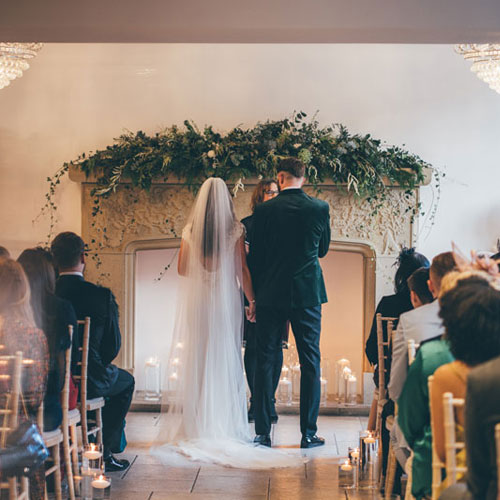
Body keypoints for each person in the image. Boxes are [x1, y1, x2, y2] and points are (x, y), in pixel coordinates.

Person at [153, 177, 301, 468]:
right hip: (225, 303)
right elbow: (242, 270)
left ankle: (196, 425)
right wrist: (252, 302)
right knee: (223, 359)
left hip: (200, 303)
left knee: (198, 358)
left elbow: (183, 269)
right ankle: (221, 423)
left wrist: (204, 275)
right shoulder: (235, 230)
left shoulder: (191, 230)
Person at [250, 157, 331, 448]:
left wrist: (254, 298)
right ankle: (308, 433)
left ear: (281, 177)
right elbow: (322, 250)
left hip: (271, 292)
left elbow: (255, 257)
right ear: (303, 178)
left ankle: (262, 432)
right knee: (311, 360)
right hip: (307, 293)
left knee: (266, 360)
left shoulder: (264, 210)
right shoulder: (320, 208)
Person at [50, 232, 134, 472]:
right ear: (83, 257)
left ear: (54, 260)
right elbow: (112, 347)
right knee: (126, 382)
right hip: (91, 379)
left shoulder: (46, 295)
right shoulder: (100, 296)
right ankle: (102, 452)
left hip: (52, 380)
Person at [0, 257, 49, 499]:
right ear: (22, 291)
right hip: (8, 434)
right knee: (29, 432)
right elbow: (34, 397)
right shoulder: (31, 335)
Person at [17, 248, 79, 432]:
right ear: (50, 275)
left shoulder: (10, 310)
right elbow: (70, 364)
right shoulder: (62, 308)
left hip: (7, 410)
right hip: (46, 410)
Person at [388, 251, 457, 402]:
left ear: (430, 286)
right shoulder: (484, 314)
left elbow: (396, 389)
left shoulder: (408, 320)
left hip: (427, 408)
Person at [241, 179, 281, 423]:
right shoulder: (247, 225)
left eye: (276, 192)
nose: (272, 195)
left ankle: (270, 401)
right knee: (254, 347)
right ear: (259, 195)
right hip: (252, 291)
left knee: (276, 347)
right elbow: (244, 265)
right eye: (268, 192)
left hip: (278, 292)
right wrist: (250, 298)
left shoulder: (286, 225)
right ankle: (256, 401)